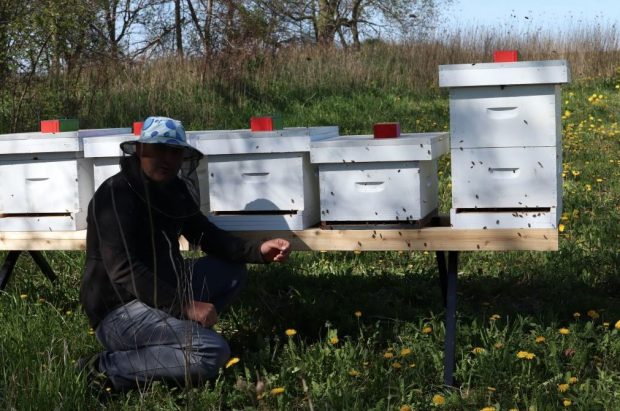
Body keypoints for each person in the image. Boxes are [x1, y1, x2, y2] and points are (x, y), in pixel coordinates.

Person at [79, 116, 291, 392]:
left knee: (231, 272)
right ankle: (104, 367)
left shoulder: (174, 189)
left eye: (175, 151)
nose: (167, 158)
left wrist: (257, 251)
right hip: (119, 311)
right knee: (211, 352)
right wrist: (185, 306)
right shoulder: (115, 196)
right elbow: (123, 269)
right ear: (141, 150)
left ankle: (176, 339)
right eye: (159, 149)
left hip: (164, 288)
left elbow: (204, 233)